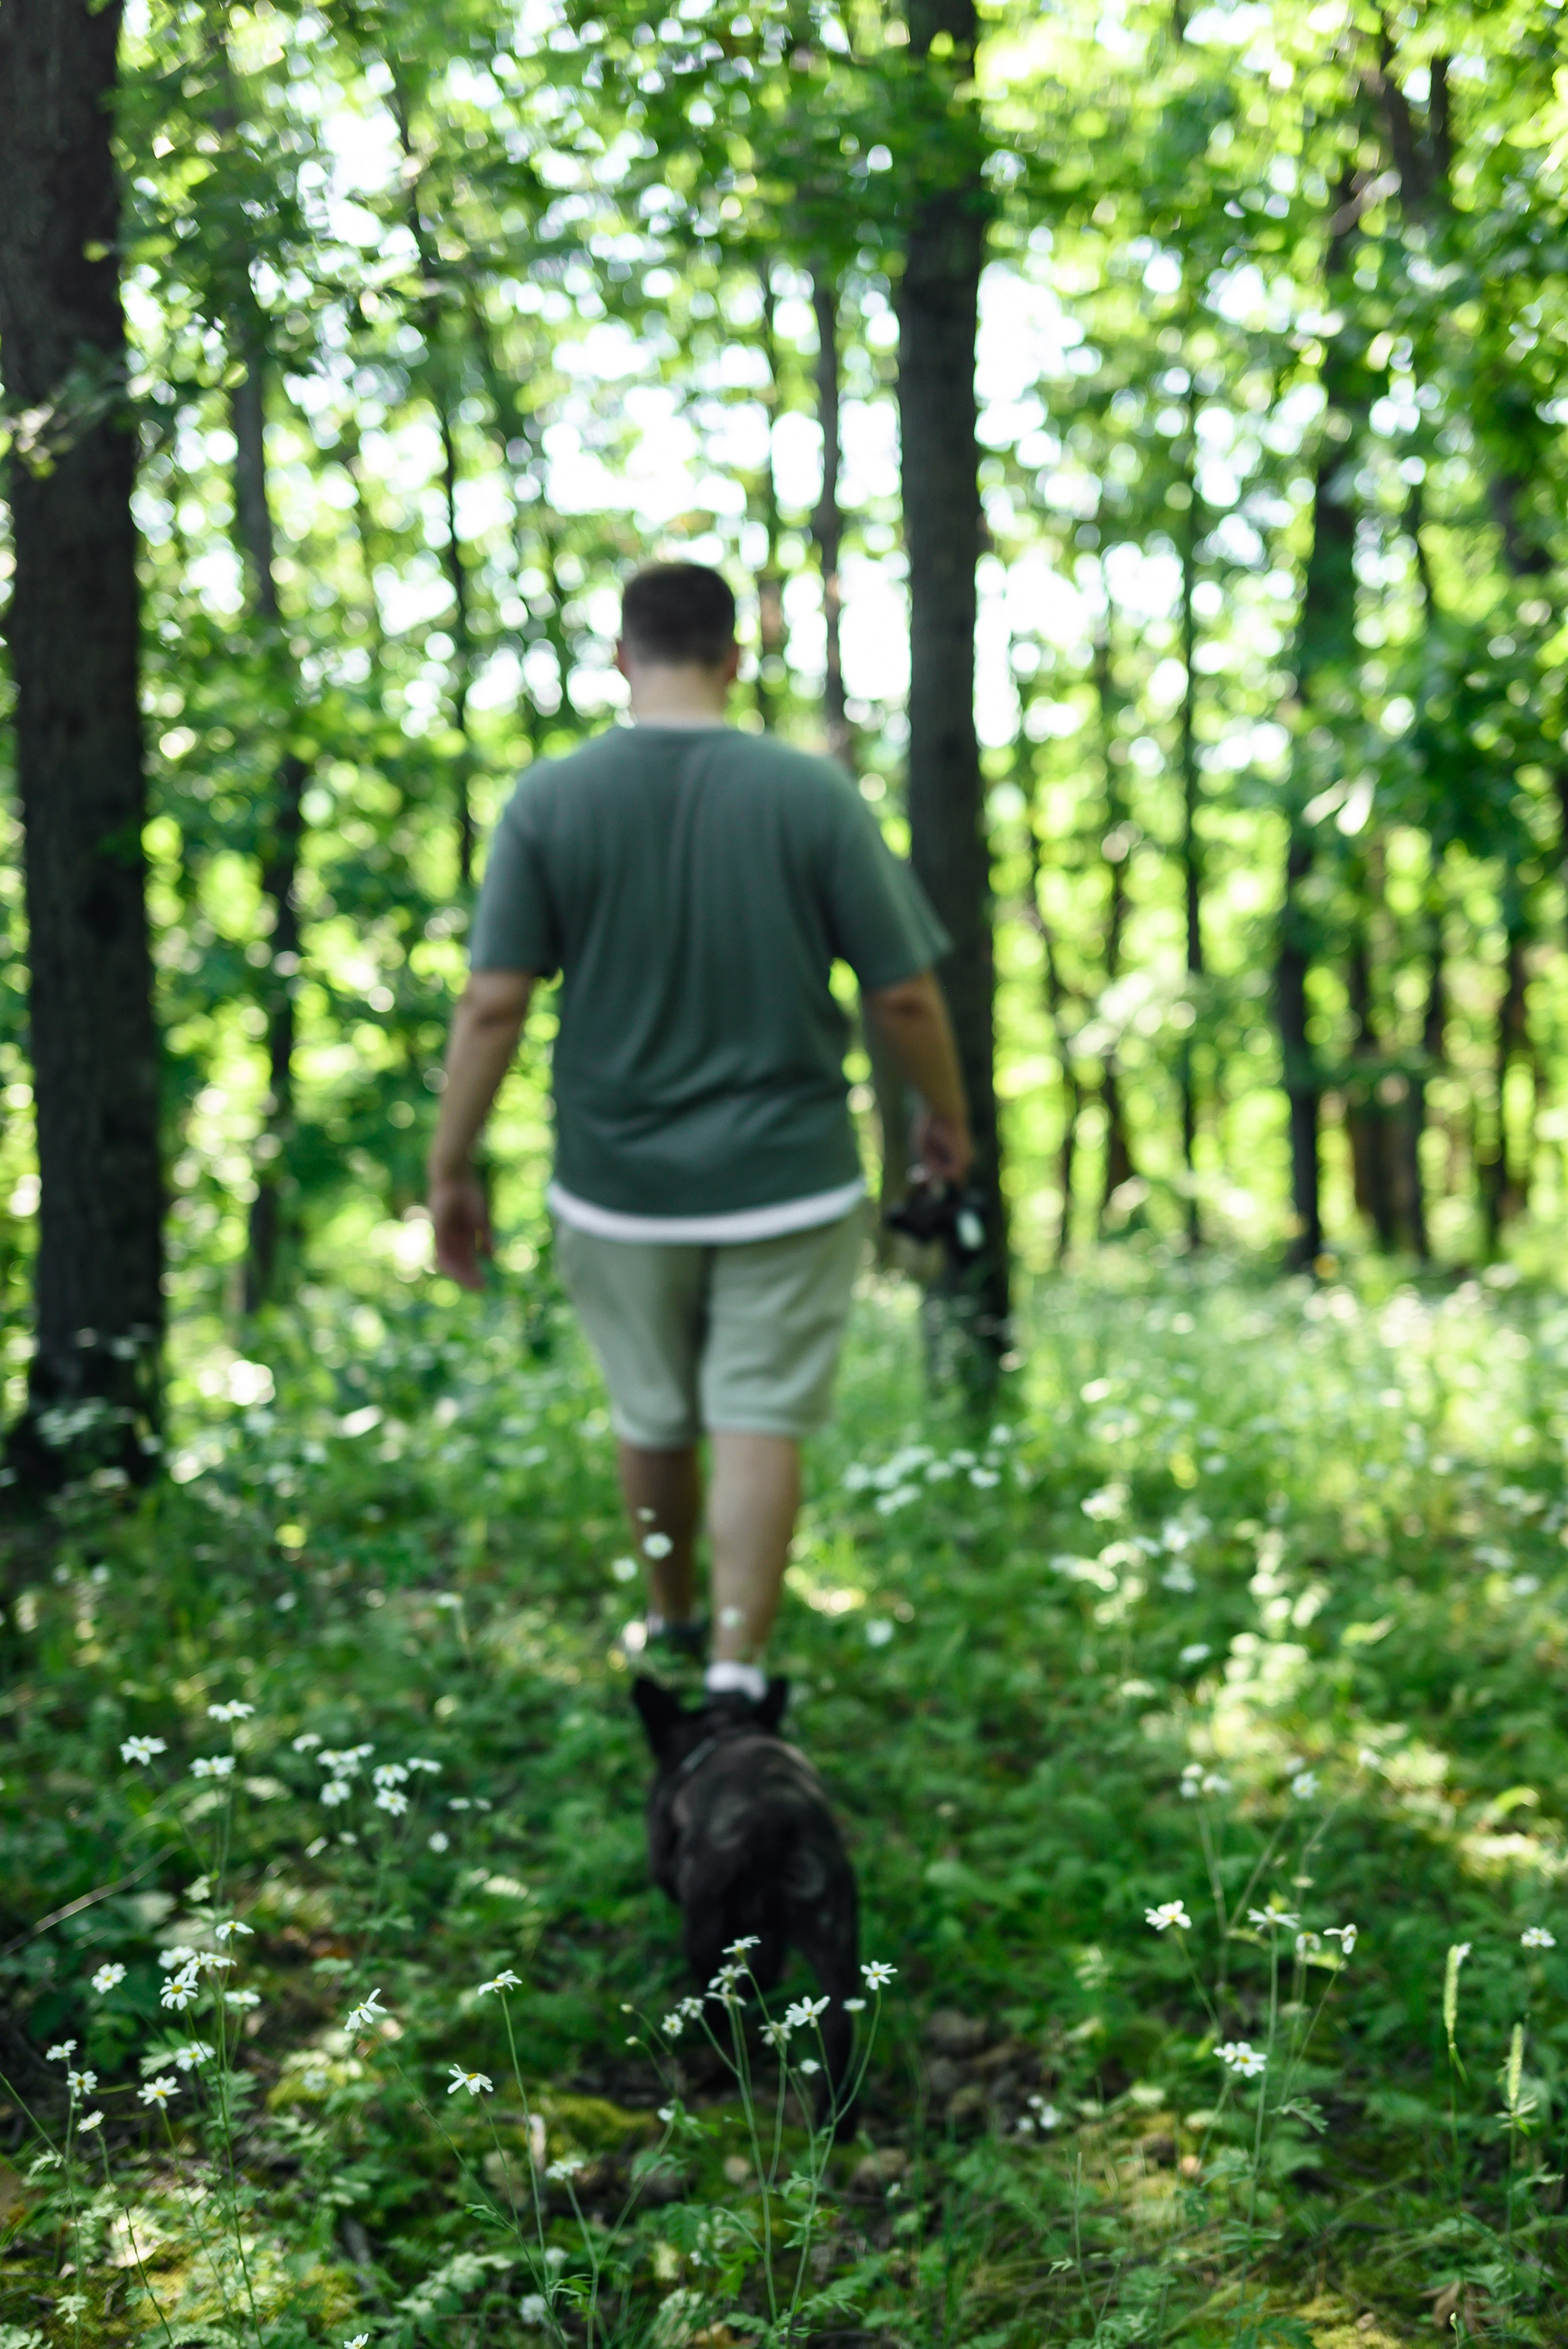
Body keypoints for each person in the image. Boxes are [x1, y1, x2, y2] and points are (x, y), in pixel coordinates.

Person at [426, 560, 972, 1706]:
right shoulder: (812, 794)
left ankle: (670, 1621)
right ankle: (737, 1666)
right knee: (759, 1415)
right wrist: (944, 1119)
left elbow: (492, 1005)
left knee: (655, 1415)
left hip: (616, 1186)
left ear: (623, 658)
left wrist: (450, 1167)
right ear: (734, 660)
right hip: (791, 1179)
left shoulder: (550, 800)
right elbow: (906, 997)